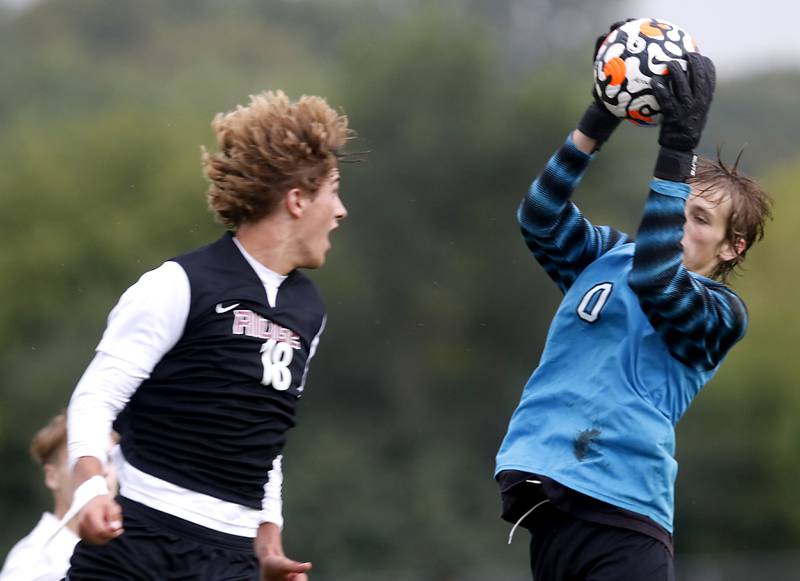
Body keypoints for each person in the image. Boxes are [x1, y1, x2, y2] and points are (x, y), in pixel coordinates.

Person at [494, 35, 772, 581]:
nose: (681, 223)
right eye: (680, 209)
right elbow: (540, 216)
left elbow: (656, 280)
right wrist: (603, 111)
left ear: (731, 247)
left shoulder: (721, 315)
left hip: (624, 516)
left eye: (700, 219)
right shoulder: (609, 257)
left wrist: (677, 149)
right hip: (552, 499)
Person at [65, 90, 352, 580]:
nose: (342, 211)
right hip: (137, 541)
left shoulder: (310, 311)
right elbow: (95, 399)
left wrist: (268, 541)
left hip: (230, 559)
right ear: (298, 200)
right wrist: (90, 487)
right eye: (334, 191)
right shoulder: (177, 284)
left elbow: (265, 437)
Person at [1, 412, 79, 581]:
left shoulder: (136, 543)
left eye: (107, 458)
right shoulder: (30, 562)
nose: (98, 470)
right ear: (52, 476)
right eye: (78, 462)